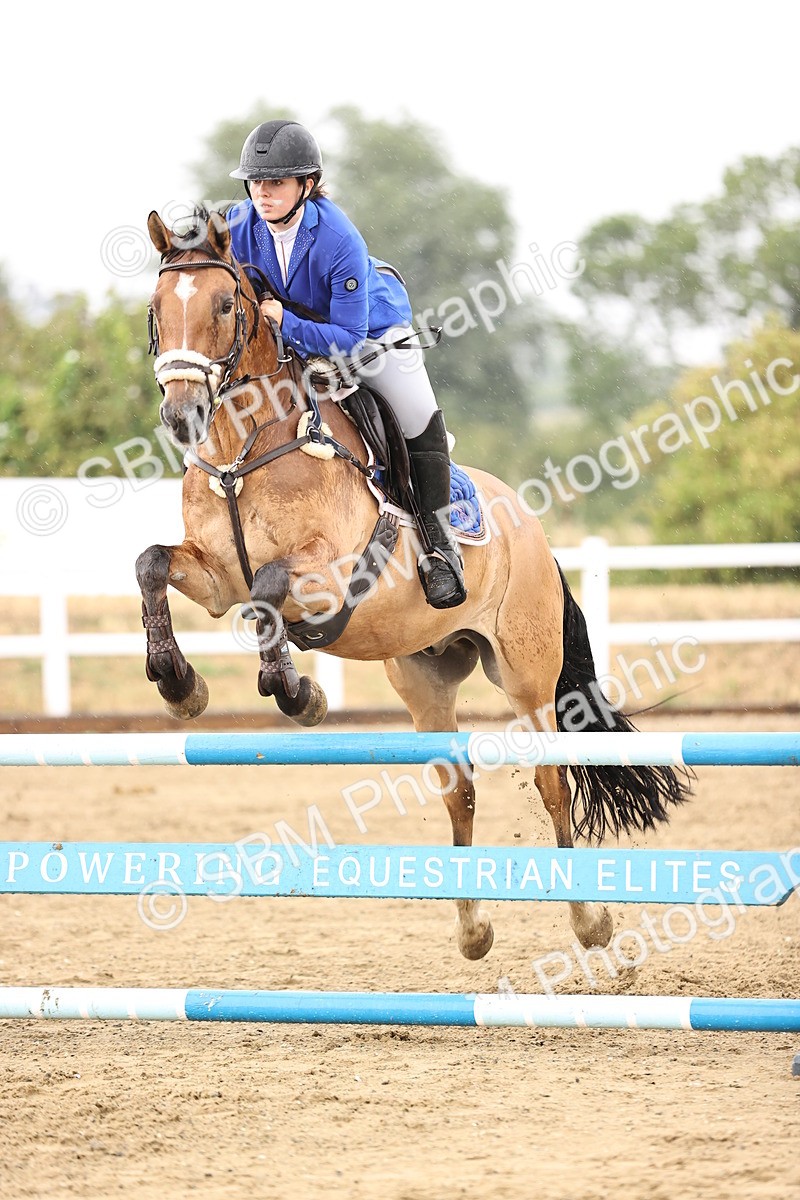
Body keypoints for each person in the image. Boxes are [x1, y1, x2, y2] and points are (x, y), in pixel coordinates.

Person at [227, 119, 466, 610]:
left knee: (418, 416)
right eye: (255, 182)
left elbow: (348, 340)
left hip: (371, 337)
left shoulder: (339, 239)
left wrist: (281, 320)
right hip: (299, 336)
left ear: (306, 186)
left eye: (275, 183)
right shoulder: (240, 224)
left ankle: (442, 552)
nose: (262, 194)